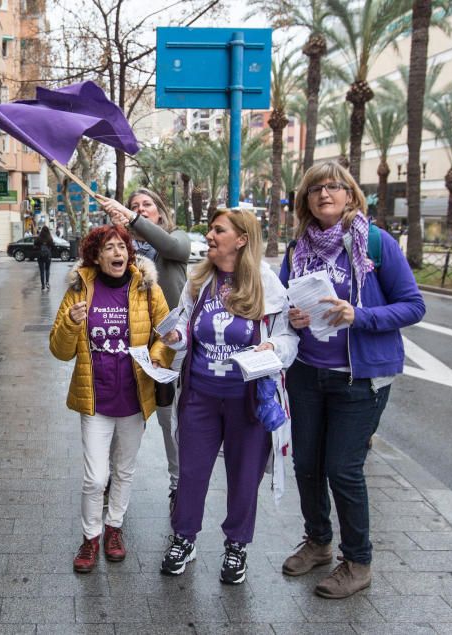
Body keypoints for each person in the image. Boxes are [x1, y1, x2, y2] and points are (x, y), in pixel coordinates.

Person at [279, 162, 425, 599]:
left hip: (359, 381)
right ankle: (319, 542)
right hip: (307, 373)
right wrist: (292, 315)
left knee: (342, 469)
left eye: (334, 187)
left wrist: (358, 315)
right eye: (315, 189)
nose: (325, 194)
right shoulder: (297, 249)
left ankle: (357, 561)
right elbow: (284, 303)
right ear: (305, 200)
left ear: (350, 194)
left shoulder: (375, 243)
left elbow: (413, 305)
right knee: (306, 465)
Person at [158, 208, 297, 585]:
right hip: (200, 396)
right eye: (210, 230)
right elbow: (190, 332)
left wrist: (272, 347)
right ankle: (183, 538)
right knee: (191, 472)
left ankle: (237, 546)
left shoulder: (265, 284)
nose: (210, 236)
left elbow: (287, 339)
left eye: (219, 230)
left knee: (244, 475)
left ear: (241, 239)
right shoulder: (198, 280)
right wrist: (176, 338)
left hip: (247, 400)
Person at [49, 224, 171, 573]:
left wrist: (159, 356)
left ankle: (114, 528)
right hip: (95, 398)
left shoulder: (147, 288)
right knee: (95, 478)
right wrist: (72, 324)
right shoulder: (79, 288)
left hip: (134, 398)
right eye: (109, 248)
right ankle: (90, 537)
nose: (117, 253)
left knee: (124, 471)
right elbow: (59, 351)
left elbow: (167, 333)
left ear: (129, 254)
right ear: (96, 256)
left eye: (122, 247)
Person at [100, 188, 191, 512]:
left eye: (147, 205)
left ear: (160, 212)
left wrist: (132, 218)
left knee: (171, 421)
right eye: (134, 206)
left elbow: (172, 245)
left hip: (168, 349)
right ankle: (107, 479)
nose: (140, 209)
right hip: (128, 350)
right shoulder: (122, 250)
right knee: (118, 419)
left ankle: (178, 486)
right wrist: (120, 230)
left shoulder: (174, 240)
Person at [36, 225, 55, 291]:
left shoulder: (39, 238)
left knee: (41, 271)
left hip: (40, 256)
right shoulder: (49, 238)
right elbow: (53, 245)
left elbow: (34, 245)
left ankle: (42, 285)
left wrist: (39, 249)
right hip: (48, 256)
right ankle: (47, 283)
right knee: (47, 270)